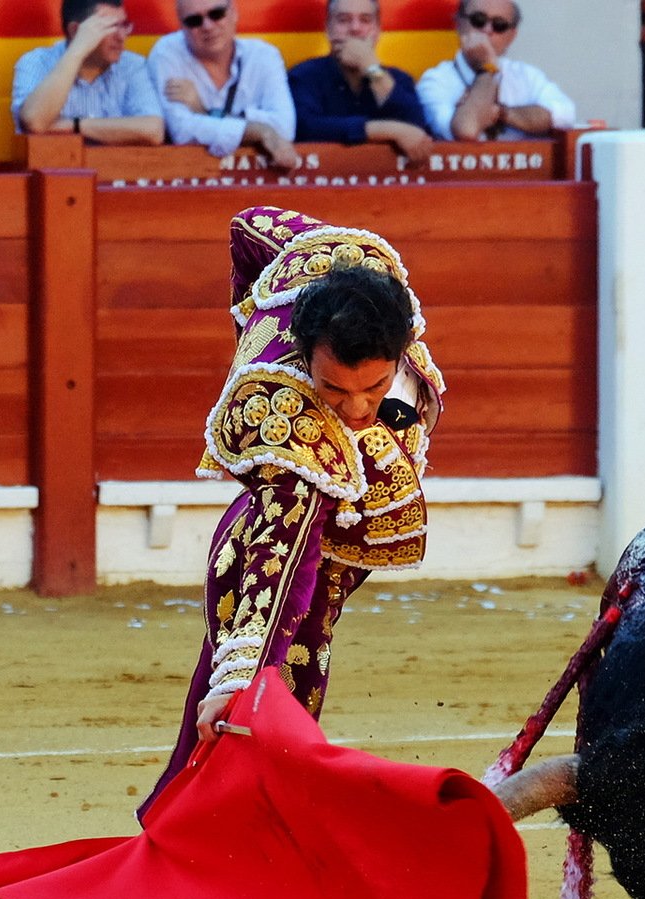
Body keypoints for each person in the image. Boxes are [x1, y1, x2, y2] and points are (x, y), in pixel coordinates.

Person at [142, 206, 448, 806]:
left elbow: (249, 226)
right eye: (334, 387)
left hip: (346, 522)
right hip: (268, 545)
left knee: (271, 703)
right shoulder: (290, 421)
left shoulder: (351, 266)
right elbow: (284, 558)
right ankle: (199, 826)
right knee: (271, 695)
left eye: (375, 387)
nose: (357, 407)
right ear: (307, 358)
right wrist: (246, 675)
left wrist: (247, 313)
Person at [148, 0, 298, 167]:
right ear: (181, 27)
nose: (207, 26)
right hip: (193, 176)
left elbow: (284, 128)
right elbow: (182, 131)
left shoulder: (264, 56)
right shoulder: (167, 53)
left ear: (234, 13)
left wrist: (206, 113)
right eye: (194, 21)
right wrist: (260, 131)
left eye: (216, 14)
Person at [287, 0, 431, 159]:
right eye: (343, 20)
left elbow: (416, 129)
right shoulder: (304, 76)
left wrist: (370, 66)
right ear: (328, 28)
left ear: (377, 30)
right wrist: (388, 129)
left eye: (365, 20)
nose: (355, 29)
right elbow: (306, 127)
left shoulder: (398, 79)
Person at [417, 1, 576, 142]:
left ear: (511, 36)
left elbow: (566, 114)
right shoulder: (435, 81)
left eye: (499, 25)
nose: (487, 30)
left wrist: (502, 113)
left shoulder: (526, 76)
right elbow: (467, 131)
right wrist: (487, 68)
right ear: (458, 23)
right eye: (478, 20)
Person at [12, 0, 166, 143]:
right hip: (58, 169)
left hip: (117, 170)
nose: (121, 36)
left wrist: (75, 125)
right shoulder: (36, 62)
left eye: (124, 25)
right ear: (75, 31)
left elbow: (153, 130)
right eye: (109, 27)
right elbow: (35, 121)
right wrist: (77, 52)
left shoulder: (132, 65)